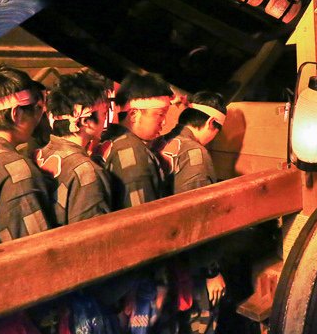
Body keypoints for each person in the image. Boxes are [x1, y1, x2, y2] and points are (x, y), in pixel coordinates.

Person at [159, 92, 228, 334]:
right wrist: (212, 271)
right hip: (192, 265)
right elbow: (198, 217)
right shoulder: (195, 153)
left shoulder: (164, 141)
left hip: (166, 258)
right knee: (200, 322)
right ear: (211, 123)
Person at [0, 67, 55, 242]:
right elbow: (34, 244)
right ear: (16, 113)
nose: (38, 118)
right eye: (35, 109)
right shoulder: (17, 170)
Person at [37, 72, 112, 225]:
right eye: (104, 113)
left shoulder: (37, 154)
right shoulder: (85, 170)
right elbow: (91, 233)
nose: (105, 120)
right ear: (85, 120)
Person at [96, 71, 171, 209]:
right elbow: (140, 218)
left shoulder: (107, 138)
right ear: (133, 114)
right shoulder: (133, 153)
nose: (164, 122)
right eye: (160, 114)